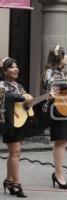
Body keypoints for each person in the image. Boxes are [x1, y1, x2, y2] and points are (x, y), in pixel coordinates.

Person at [41, 45, 67, 189]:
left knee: (63, 141)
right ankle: (58, 174)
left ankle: (58, 173)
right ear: (59, 58)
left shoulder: (65, 73)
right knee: (60, 140)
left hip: (66, 107)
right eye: (65, 55)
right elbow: (51, 85)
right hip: (56, 108)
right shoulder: (49, 72)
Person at [0, 57, 34, 197]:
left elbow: (25, 103)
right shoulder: (2, 85)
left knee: (15, 153)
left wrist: (31, 102)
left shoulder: (19, 86)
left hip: (19, 121)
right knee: (15, 151)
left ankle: (9, 181)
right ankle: (16, 184)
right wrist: (24, 98)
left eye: (16, 66)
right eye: (12, 67)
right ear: (4, 70)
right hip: (8, 122)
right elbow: (10, 97)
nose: (16, 69)